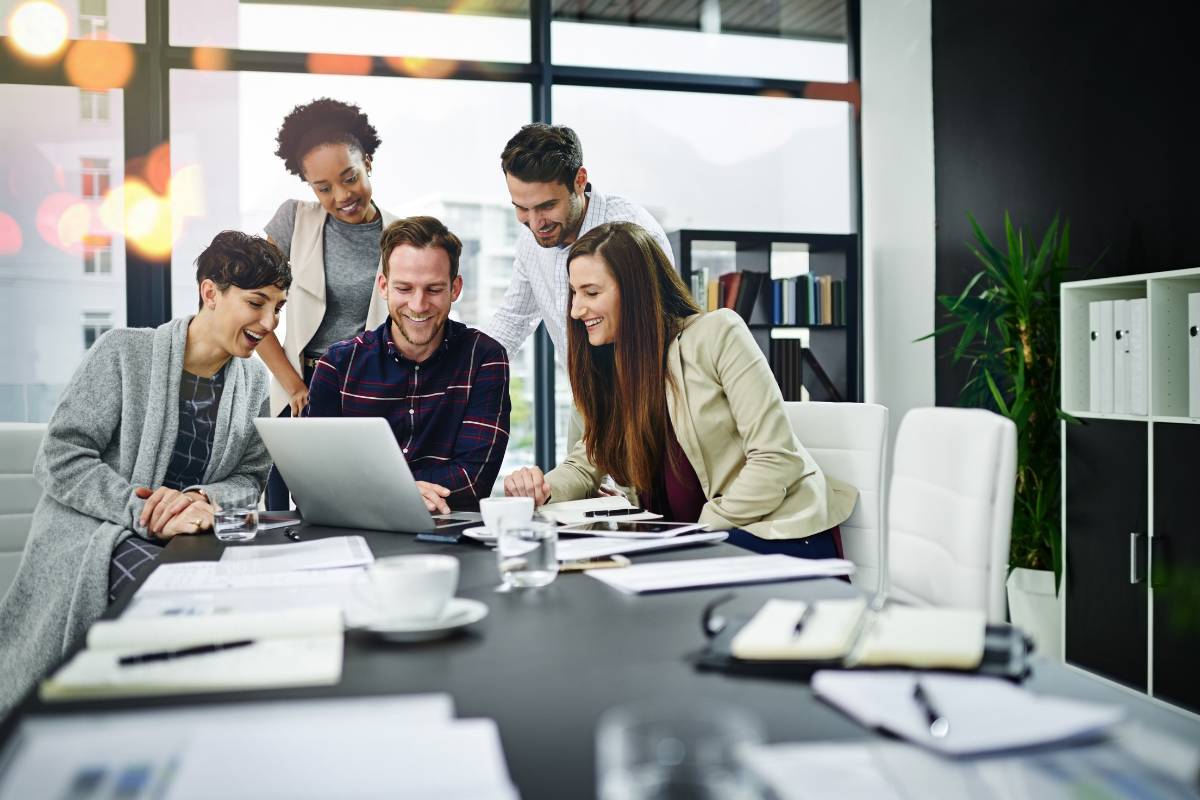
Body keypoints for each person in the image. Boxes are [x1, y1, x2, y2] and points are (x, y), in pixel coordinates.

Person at [0, 231, 290, 712]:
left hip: (191, 536)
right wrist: (146, 511)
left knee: (257, 610)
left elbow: (250, 478)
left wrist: (200, 500)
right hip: (97, 535)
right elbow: (60, 458)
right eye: (257, 303)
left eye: (277, 308)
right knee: (178, 611)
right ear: (210, 292)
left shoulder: (255, 380)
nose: (268, 322)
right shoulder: (122, 352)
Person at [503, 222, 856, 553]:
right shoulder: (602, 366)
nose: (577, 309)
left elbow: (776, 458)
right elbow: (584, 463)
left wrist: (700, 532)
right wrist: (542, 491)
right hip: (686, 544)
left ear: (636, 292)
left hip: (771, 531)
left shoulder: (717, 334)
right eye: (574, 293)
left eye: (591, 292)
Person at [306, 216, 510, 514]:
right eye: (404, 288)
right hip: (358, 537)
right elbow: (315, 482)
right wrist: (402, 491)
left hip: (449, 538)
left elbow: (472, 480)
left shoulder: (484, 358)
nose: (418, 305)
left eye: (434, 289)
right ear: (383, 286)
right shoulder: (336, 367)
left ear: (455, 288)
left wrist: (367, 490)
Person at [259, 98, 399, 509]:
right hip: (299, 391)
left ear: (368, 162)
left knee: (355, 509)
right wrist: (294, 385)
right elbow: (254, 314)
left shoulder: (400, 234)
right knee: (287, 518)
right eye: (323, 188)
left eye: (350, 177)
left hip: (369, 392)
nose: (341, 196)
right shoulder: (293, 220)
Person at [485, 123, 674, 362]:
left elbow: (659, 330)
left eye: (547, 206)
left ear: (580, 180)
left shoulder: (635, 233)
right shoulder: (530, 241)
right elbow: (513, 320)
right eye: (522, 208)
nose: (535, 224)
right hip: (585, 396)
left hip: (645, 390)